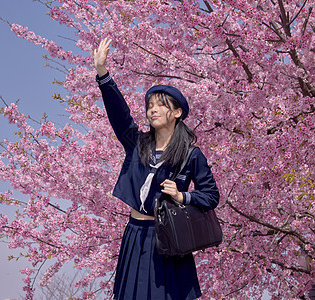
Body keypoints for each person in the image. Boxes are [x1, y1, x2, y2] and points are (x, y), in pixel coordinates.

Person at [94, 38, 220, 300]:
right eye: (150, 105)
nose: (153, 110)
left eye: (160, 105)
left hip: (167, 239)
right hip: (134, 234)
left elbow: (211, 196)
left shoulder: (190, 155)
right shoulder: (137, 143)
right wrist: (103, 74)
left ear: (177, 113)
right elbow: (120, 116)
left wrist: (182, 196)